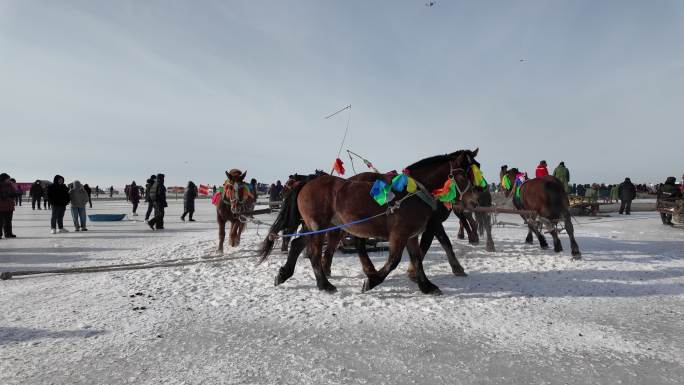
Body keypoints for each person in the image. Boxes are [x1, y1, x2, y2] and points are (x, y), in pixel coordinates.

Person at [0, 173, 18, 238]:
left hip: (9, 205)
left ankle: (8, 233)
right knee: (0, 222)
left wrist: (13, 185)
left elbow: (17, 193)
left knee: (8, 221)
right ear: (4, 179)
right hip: (1, 206)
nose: (9, 180)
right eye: (8, 178)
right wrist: (7, 194)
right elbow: (3, 196)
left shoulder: (10, 185)